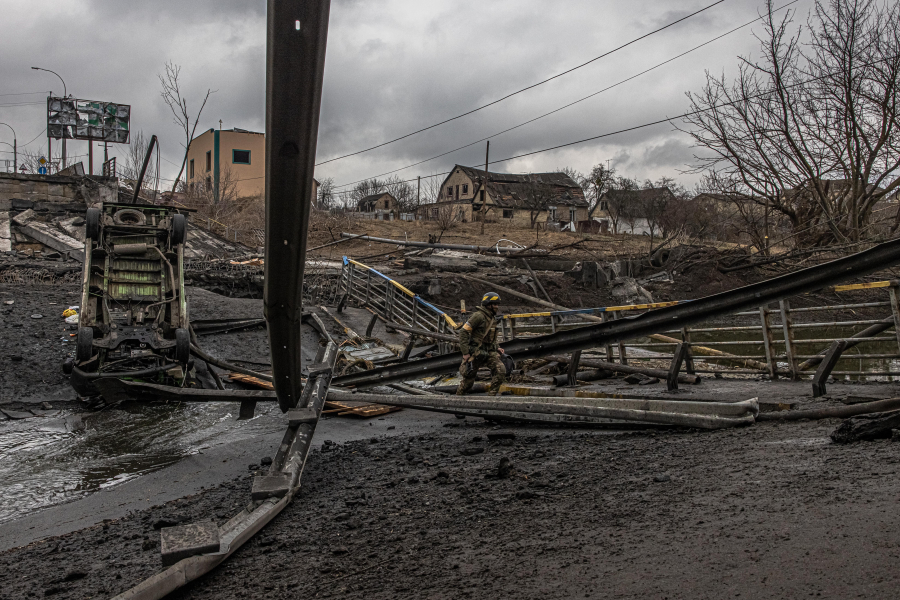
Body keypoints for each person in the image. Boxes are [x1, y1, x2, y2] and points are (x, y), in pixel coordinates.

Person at [456, 292, 507, 395]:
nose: (497, 307)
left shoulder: (492, 317)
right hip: (476, 352)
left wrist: (497, 347)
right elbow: (463, 332)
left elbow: (491, 336)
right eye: (495, 304)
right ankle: (457, 399)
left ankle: (491, 397)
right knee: (468, 382)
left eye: (497, 304)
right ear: (489, 304)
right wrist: (465, 353)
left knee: (500, 370)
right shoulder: (478, 316)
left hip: (488, 351)